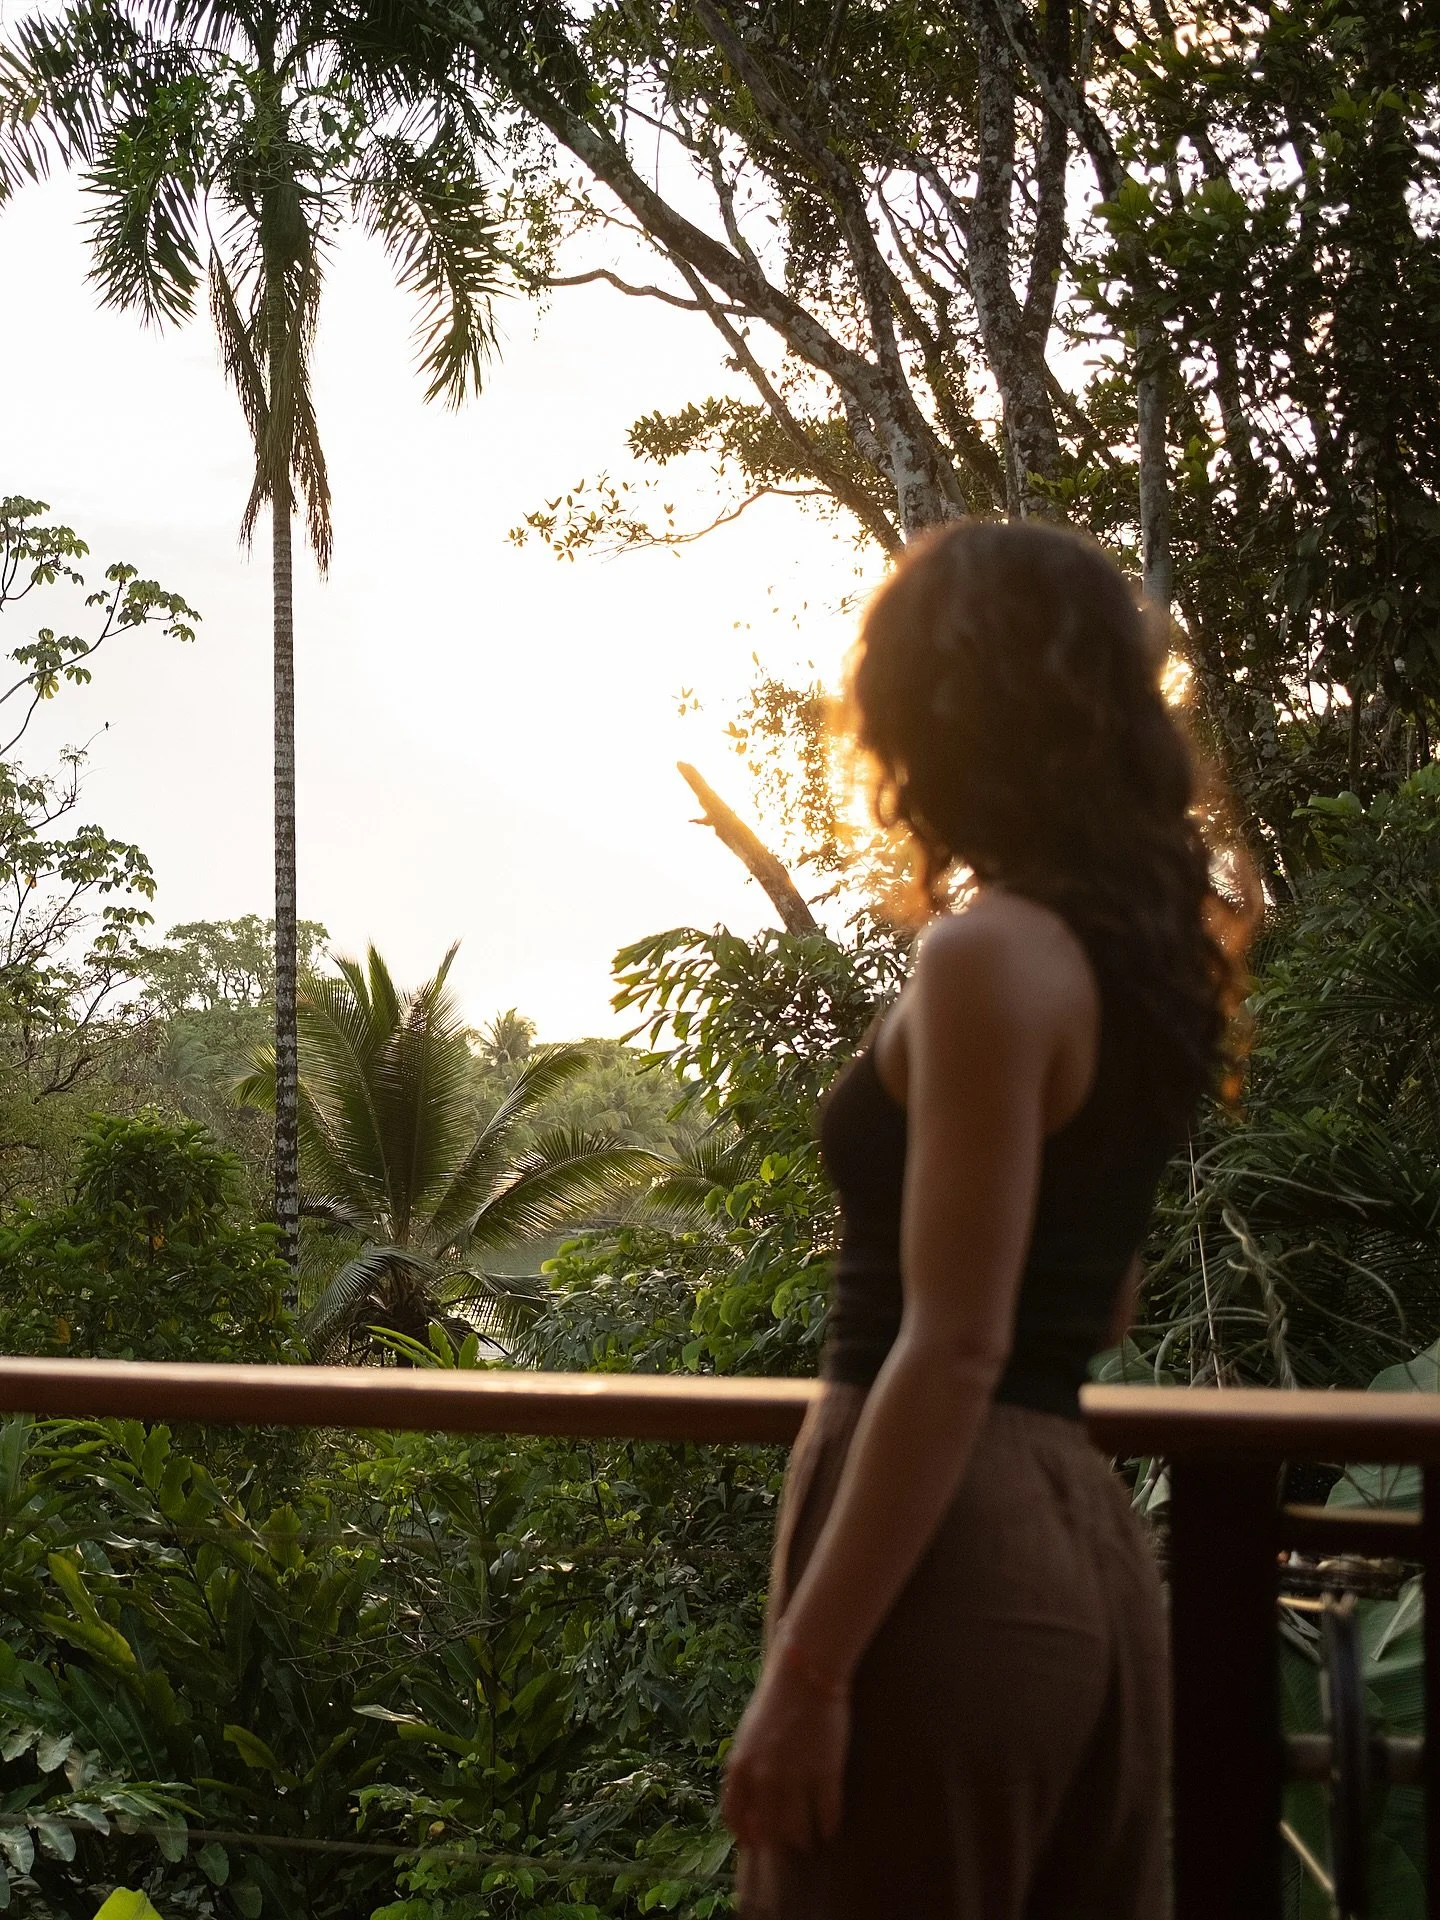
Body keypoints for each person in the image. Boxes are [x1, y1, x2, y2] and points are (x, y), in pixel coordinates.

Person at [720, 521, 1254, 1920]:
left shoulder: (982, 957)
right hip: (1080, 1535)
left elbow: (956, 1341)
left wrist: (811, 1669)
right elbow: (1110, 1298)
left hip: (941, 1538)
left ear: (939, 715)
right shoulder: (1140, 963)